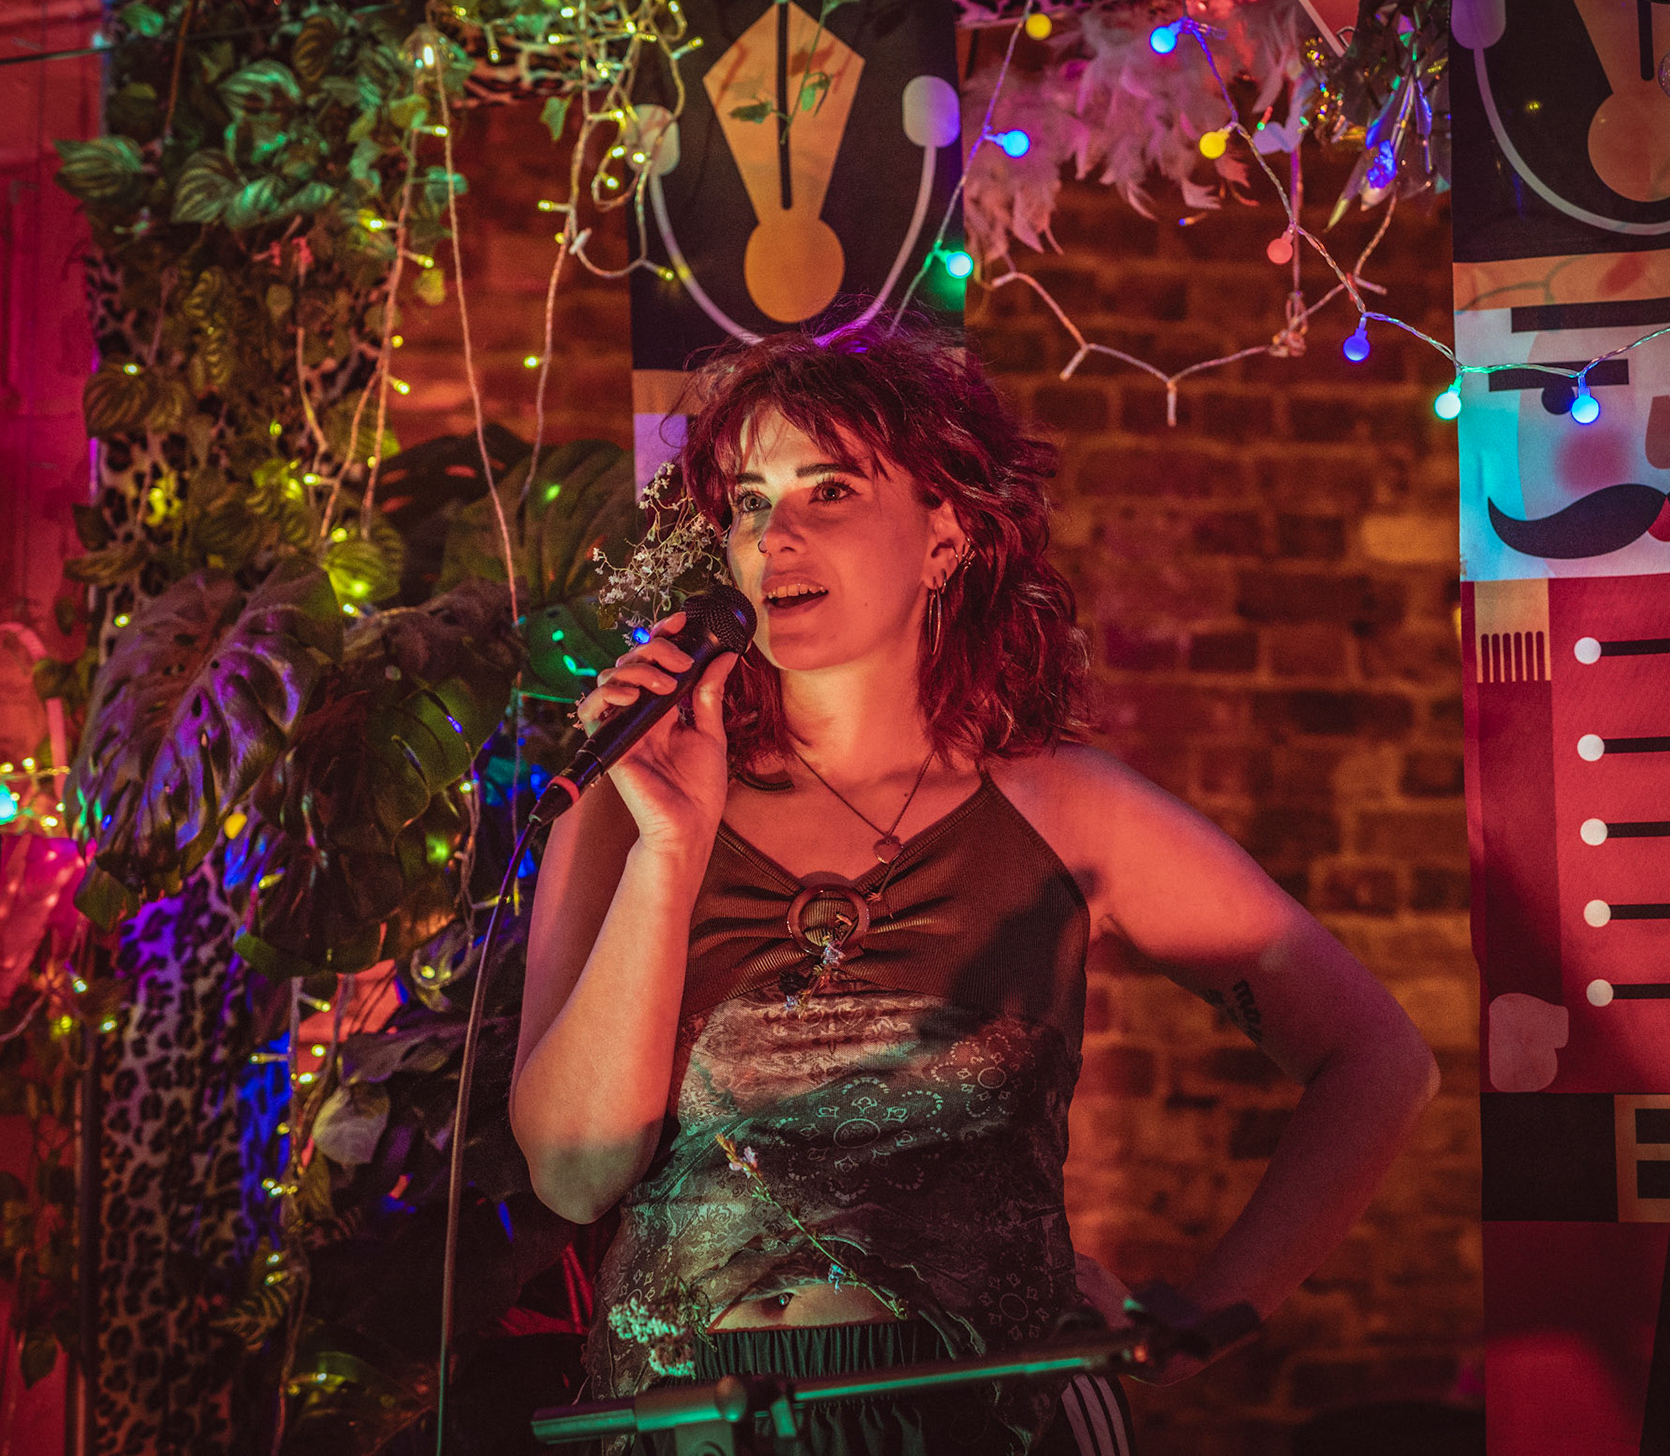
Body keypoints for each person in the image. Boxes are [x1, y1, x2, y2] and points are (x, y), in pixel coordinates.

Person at [510, 315, 1439, 1455]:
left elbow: (1376, 1058)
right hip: (687, 1424)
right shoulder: (628, 797)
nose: (775, 534)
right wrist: (668, 846)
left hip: (982, 1422)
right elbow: (574, 1176)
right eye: (750, 501)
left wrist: (1200, 1321)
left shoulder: (1068, 807)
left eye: (830, 490)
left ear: (944, 536)